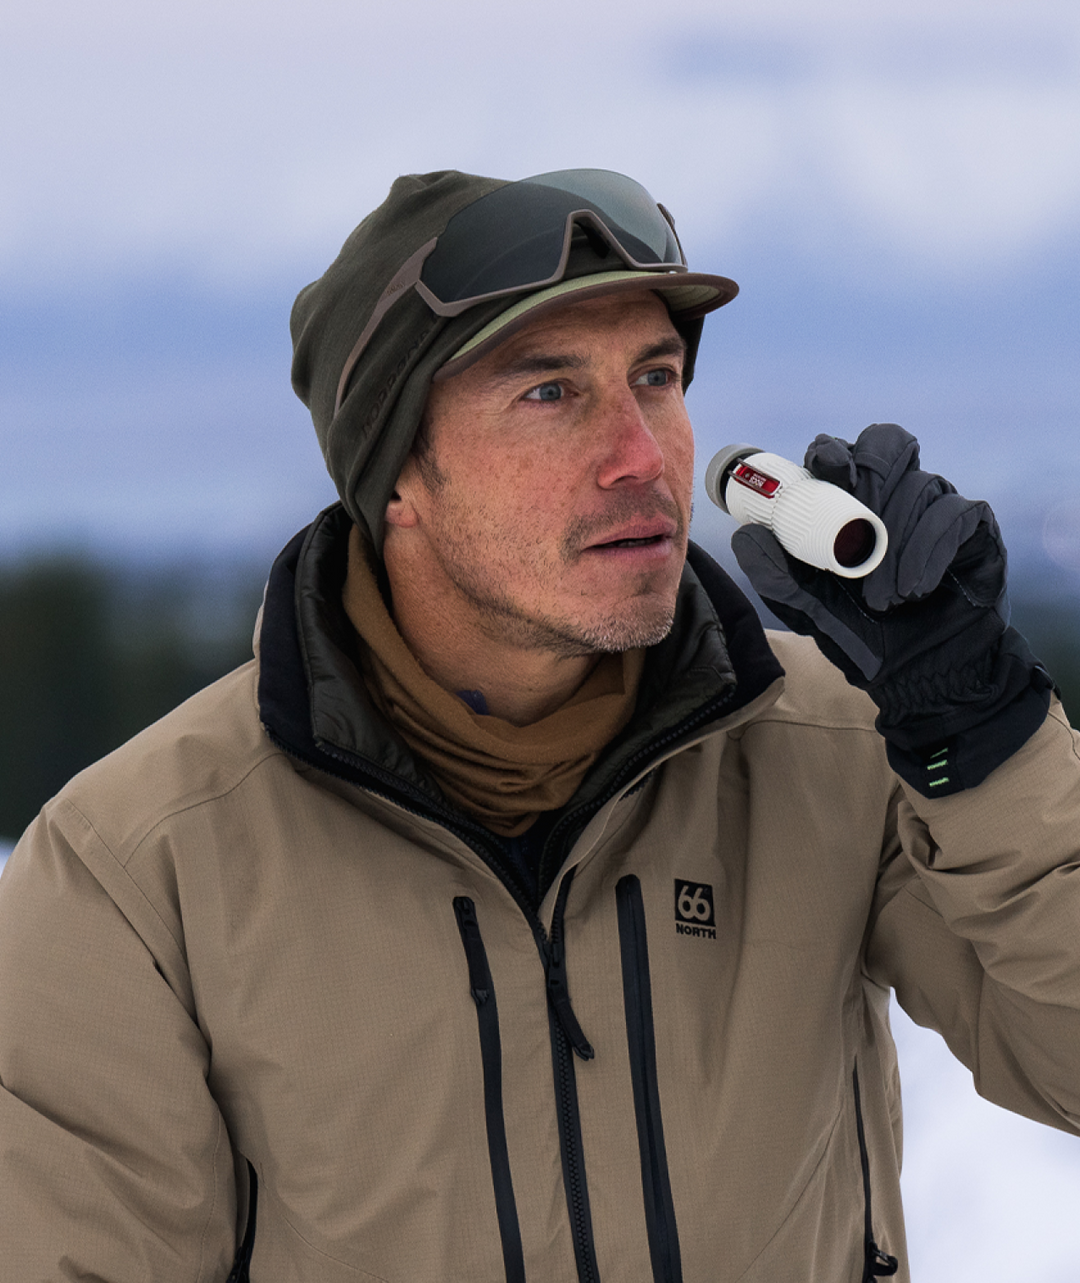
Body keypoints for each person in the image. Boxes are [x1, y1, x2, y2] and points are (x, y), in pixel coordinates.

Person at [0, 168, 1077, 1283]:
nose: (639, 453)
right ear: (396, 471)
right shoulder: (135, 869)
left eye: (655, 378)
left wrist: (986, 733)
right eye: (549, 393)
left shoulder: (843, 753)